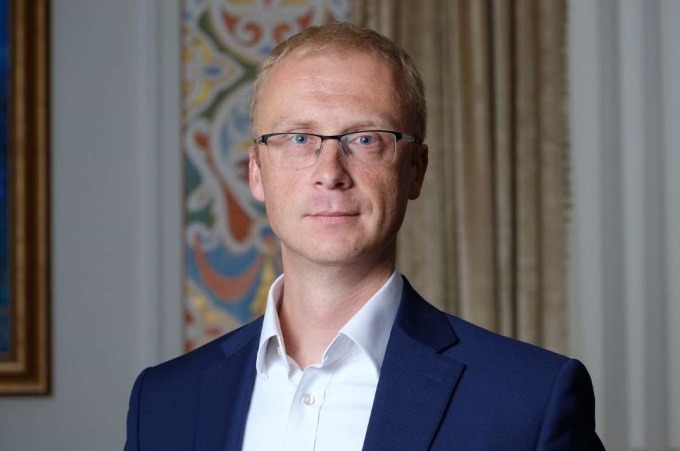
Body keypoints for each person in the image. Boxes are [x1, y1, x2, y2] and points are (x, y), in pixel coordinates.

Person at [125, 22, 604, 450]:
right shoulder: (163, 403)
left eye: (365, 138)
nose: (330, 173)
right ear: (256, 171)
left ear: (416, 170)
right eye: (299, 138)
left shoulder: (530, 401)